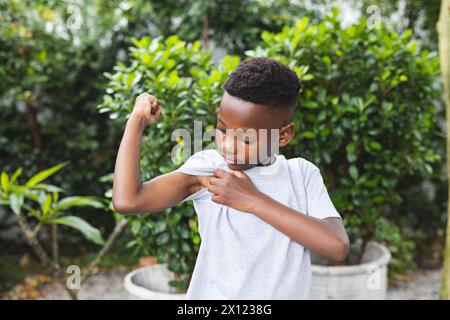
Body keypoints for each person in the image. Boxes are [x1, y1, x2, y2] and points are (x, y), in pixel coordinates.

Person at [112, 57, 349, 299]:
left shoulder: (301, 175)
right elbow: (128, 201)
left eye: (246, 139)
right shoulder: (209, 170)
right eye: (222, 129)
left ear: (283, 136)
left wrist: (252, 199)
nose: (228, 145)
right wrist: (136, 122)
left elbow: (336, 246)